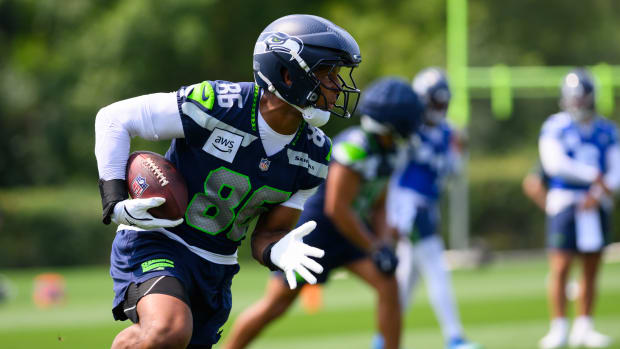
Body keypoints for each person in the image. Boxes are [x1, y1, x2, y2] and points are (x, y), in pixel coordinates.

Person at [94, 14, 362, 349]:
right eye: (327, 72)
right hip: (159, 240)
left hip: (216, 266)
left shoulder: (316, 155)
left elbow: (267, 234)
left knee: (162, 338)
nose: (337, 85)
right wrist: (114, 198)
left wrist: (279, 249)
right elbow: (114, 119)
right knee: (169, 329)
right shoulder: (218, 105)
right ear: (287, 72)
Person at [221, 77, 424, 349]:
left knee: (389, 286)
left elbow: (379, 204)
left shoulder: (391, 152)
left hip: (351, 234)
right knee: (276, 305)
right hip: (317, 234)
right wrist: (375, 246)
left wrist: (385, 242)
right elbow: (336, 209)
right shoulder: (353, 148)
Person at [377, 67, 481, 349]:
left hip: (427, 205)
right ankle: (455, 336)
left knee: (408, 278)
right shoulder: (408, 129)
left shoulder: (449, 133)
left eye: (442, 103)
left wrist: (460, 150)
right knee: (436, 268)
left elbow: (454, 173)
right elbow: (393, 172)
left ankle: (382, 337)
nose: (440, 108)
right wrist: (392, 215)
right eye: (435, 102)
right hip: (408, 207)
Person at [537, 68, 618, 349]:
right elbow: (553, 164)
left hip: (596, 203)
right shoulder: (555, 126)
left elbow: (616, 168)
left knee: (592, 267)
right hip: (565, 202)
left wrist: (598, 191)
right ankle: (558, 327)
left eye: (582, 98)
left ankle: (584, 326)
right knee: (560, 266)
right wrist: (590, 176)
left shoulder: (607, 128)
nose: (579, 103)